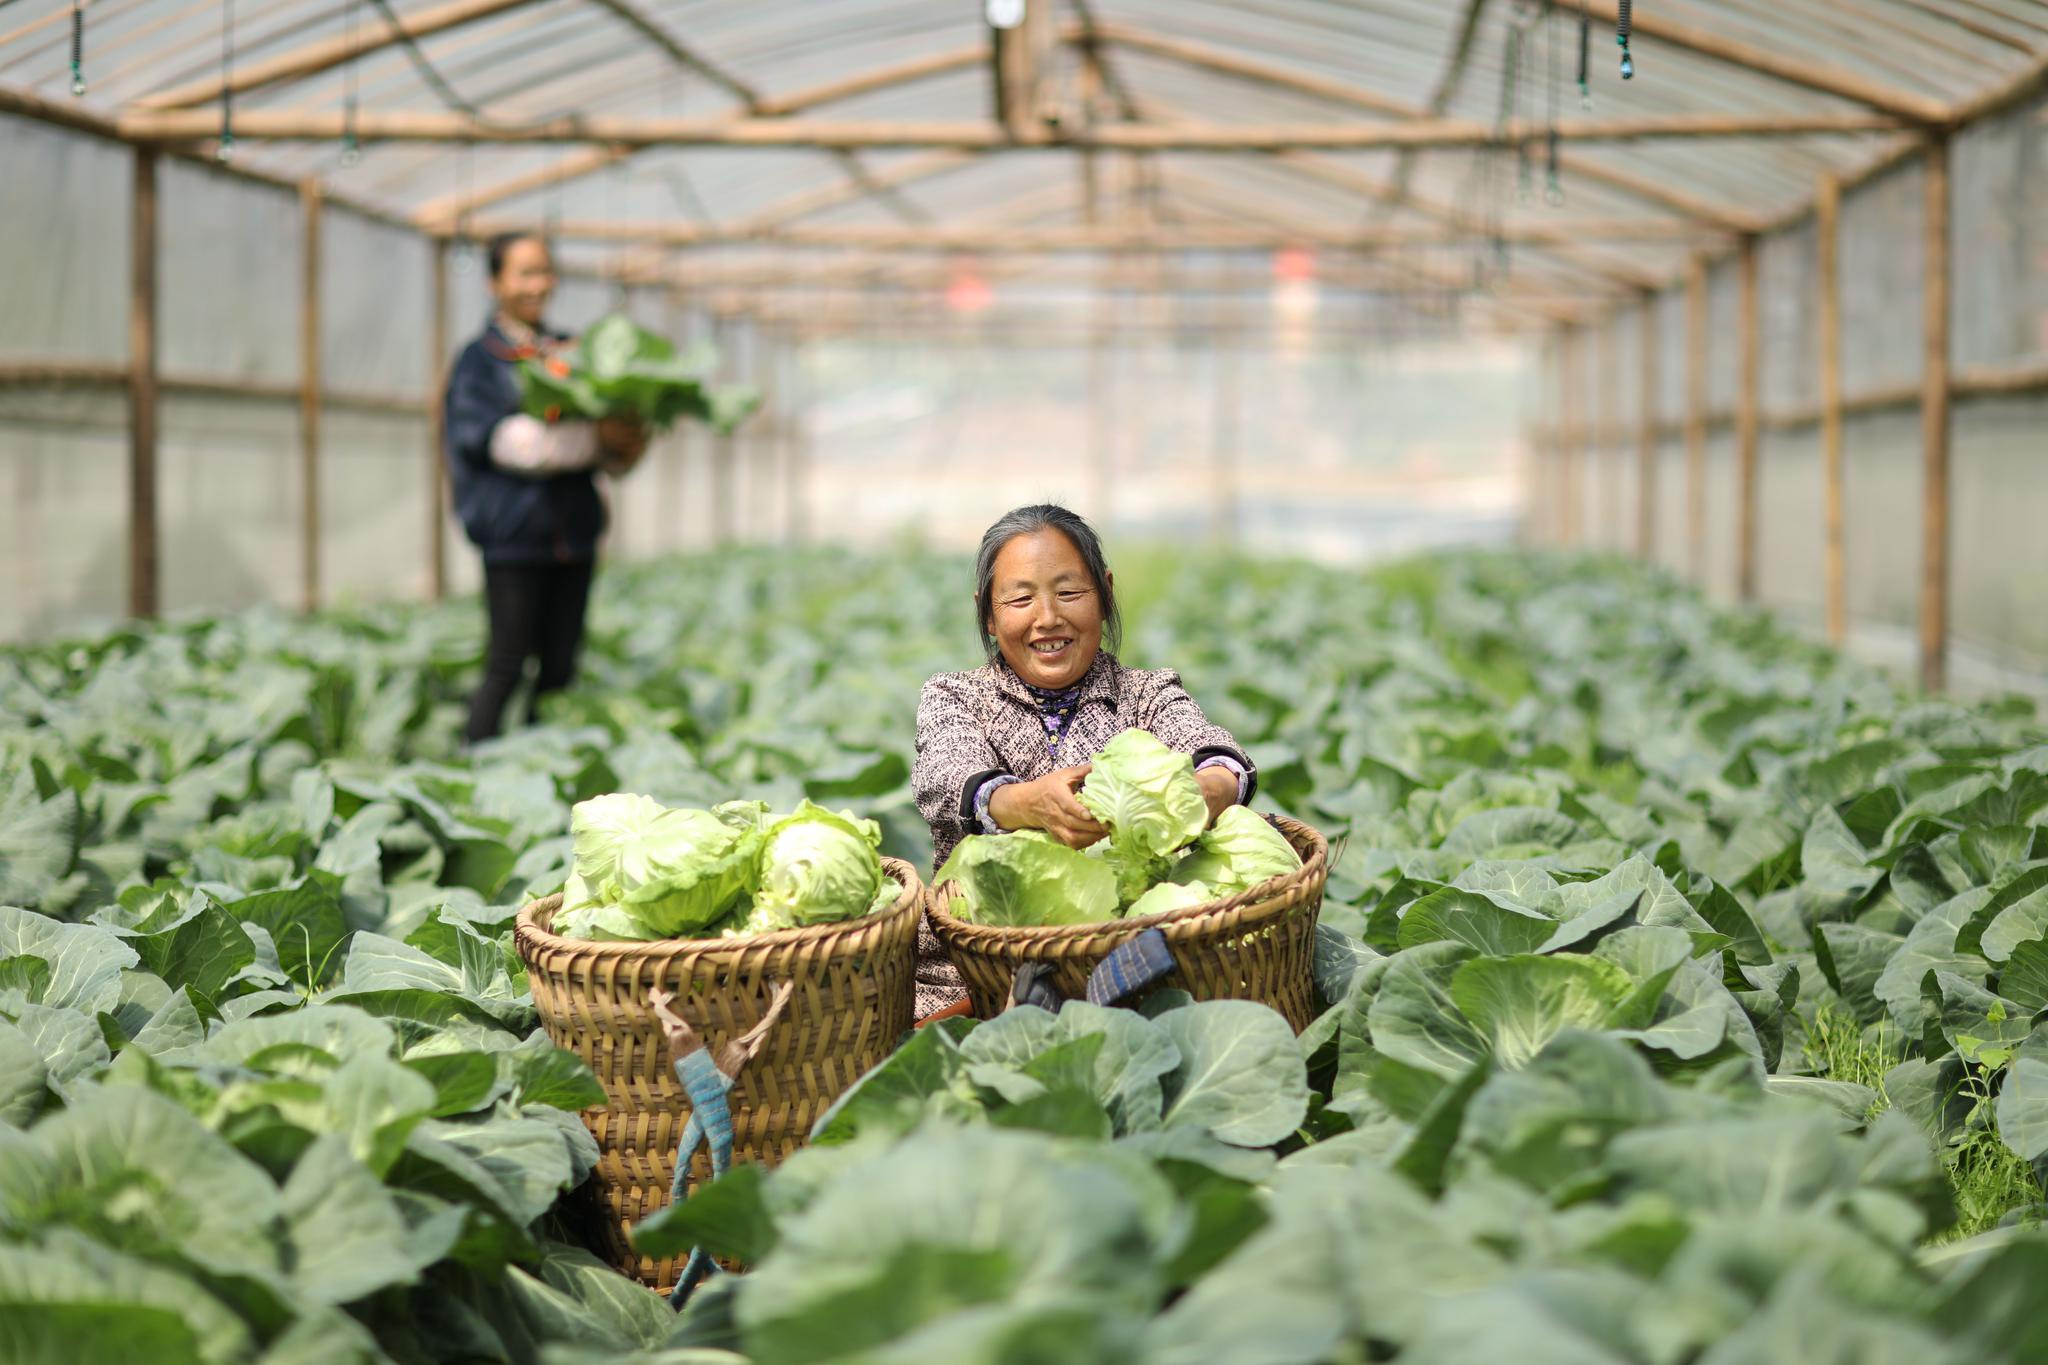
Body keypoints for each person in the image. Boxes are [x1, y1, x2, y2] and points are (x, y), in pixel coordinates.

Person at [910, 504, 1258, 1018]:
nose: (1047, 618)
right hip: (973, 975)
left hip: (1132, 960)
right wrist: (1024, 803)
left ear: (1105, 594)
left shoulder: (1146, 693)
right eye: (1021, 598)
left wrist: (1197, 796)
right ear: (988, 613)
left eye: (1069, 592)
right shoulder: (955, 697)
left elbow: (1221, 757)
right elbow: (949, 776)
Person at [442, 233, 649, 744]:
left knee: (560, 669)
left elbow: (604, 449)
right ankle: (477, 762)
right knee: (508, 662)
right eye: (525, 273)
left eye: (544, 272)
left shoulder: (570, 352)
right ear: (496, 283)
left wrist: (624, 441)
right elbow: (506, 444)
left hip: (573, 534)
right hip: (514, 535)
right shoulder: (480, 362)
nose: (539, 285)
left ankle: (543, 761)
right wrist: (592, 437)